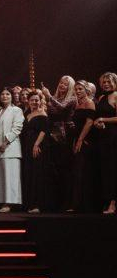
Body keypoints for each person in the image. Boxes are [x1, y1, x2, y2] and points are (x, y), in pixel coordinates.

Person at [40, 76, 76, 211]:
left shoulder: (72, 99)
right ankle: (56, 202)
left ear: (70, 87)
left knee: (65, 170)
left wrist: (49, 96)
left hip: (64, 136)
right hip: (51, 136)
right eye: (61, 82)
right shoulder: (55, 98)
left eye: (65, 84)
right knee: (54, 170)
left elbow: (62, 109)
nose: (62, 85)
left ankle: (68, 202)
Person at [0, 87, 24, 212]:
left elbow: (17, 128)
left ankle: (10, 203)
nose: (4, 96)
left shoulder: (16, 110)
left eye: (7, 94)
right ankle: (3, 201)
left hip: (11, 148)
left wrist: (5, 142)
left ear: (11, 96)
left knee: (11, 177)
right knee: (1, 177)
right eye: (2, 94)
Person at [21, 90, 52, 214]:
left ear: (40, 101)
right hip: (27, 146)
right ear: (28, 101)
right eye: (32, 100)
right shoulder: (27, 113)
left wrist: (36, 144)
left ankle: (38, 204)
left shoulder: (42, 113)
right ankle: (30, 203)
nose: (34, 102)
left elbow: (44, 130)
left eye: (36, 100)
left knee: (37, 174)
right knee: (30, 173)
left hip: (37, 146)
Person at [92, 72, 117, 214]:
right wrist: (98, 123)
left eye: (109, 82)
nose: (106, 84)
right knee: (105, 170)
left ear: (115, 82)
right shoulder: (101, 97)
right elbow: (97, 117)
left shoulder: (116, 96)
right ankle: (107, 201)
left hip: (114, 137)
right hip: (103, 137)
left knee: (113, 169)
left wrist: (103, 120)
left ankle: (113, 203)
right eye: (104, 82)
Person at [71, 81, 97, 213]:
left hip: (86, 140)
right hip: (77, 139)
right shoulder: (78, 104)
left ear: (86, 90)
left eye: (80, 89)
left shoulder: (89, 102)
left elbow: (89, 122)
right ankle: (78, 204)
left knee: (84, 171)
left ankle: (86, 205)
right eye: (76, 89)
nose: (78, 91)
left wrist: (81, 139)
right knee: (78, 172)